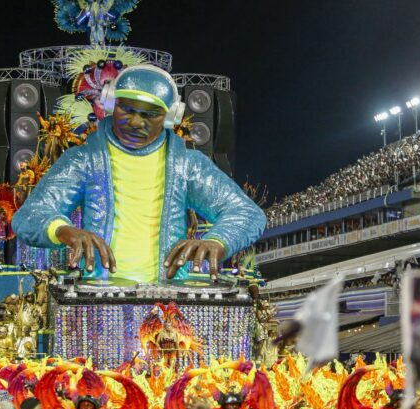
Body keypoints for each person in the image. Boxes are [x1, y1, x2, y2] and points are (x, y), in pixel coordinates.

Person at [14, 64, 265, 283]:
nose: (135, 122)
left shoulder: (187, 166)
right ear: (111, 104)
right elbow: (29, 215)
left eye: (149, 114)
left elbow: (247, 213)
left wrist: (218, 241)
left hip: (166, 306)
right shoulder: (83, 160)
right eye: (127, 110)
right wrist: (63, 230)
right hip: (99, 300)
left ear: (169, 117)